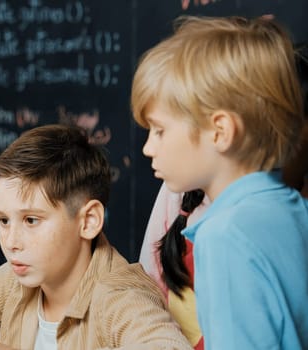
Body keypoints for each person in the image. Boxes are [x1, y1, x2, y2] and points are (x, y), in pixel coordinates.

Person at [131, 15, 308, 349]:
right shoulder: (296, 210)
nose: (148, 147)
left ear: (220, 131)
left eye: (159, 130)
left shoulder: (223, 236)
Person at [0, 124, 192, 349]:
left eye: (31, 220)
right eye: (3, 220)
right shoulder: (15, 279)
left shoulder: (121, 297)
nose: (11, 242)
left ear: (89, 221)